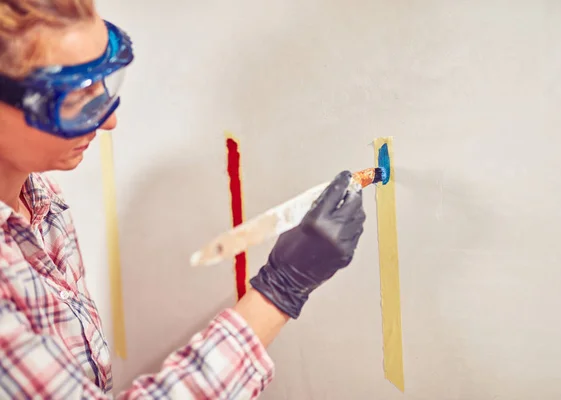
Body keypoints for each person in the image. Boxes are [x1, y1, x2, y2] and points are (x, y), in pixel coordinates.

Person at [0, 1, 366, 398]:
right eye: (72, 99)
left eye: (104, 84)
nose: (108, 120)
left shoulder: (40, 198)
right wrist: (281, 288)